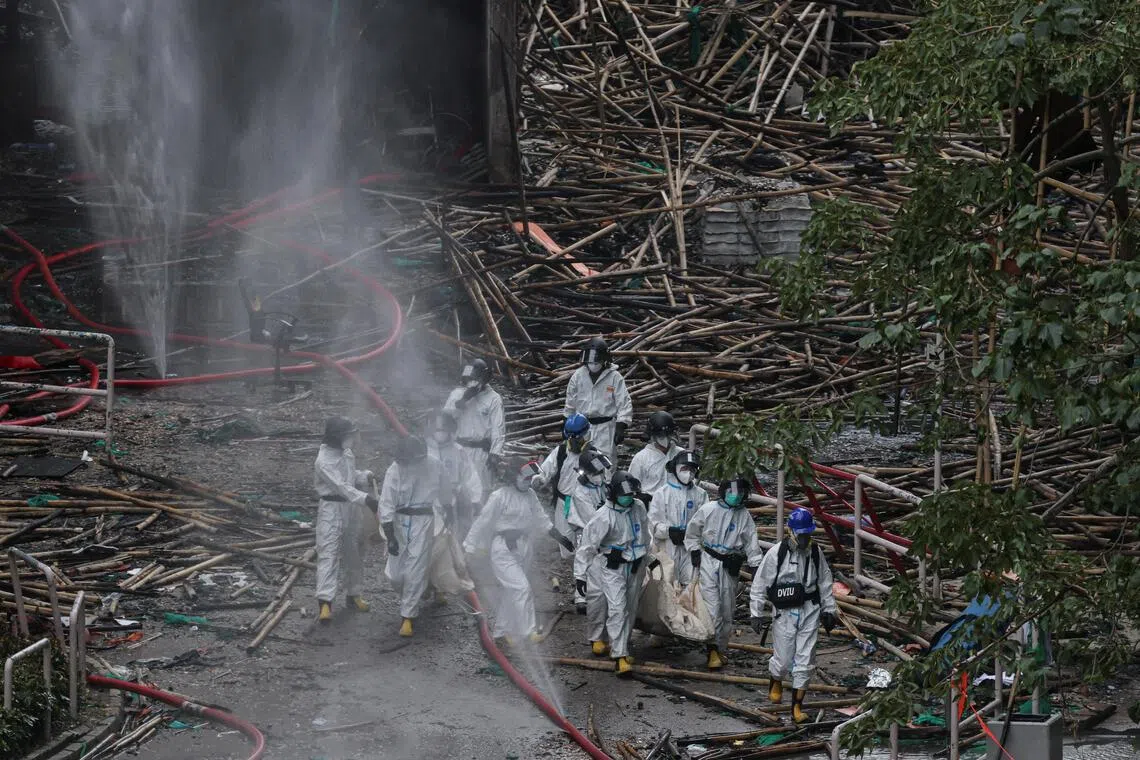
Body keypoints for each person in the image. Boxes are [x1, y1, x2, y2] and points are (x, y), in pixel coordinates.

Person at [464, 459, 573, 643]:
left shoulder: (530, 494)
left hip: (524, 546)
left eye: (531, 478)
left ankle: (501, 632)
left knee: (511, 590)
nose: (529, 481)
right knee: (521, 588)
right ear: (513, 477)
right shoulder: (500, 496)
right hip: (503, 548)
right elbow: (483, 521)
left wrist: (559, 537)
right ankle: (527, 632)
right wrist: (470, 546)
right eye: (525, 478)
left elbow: (541, 518)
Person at [750, 507, 839, 723]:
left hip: (810, 609)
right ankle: (776, 679)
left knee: (805, 659)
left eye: (808, 534)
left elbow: (825, 582)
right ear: (791, 532)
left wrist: (829, 610)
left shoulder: (815, 553)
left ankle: (797, 708)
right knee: (783, 658)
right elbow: (760, 584)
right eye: (801, 535)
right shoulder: (776, 554)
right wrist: (756, 612)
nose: (805, 539)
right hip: (785, 612)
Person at [685, 475, 765, 671]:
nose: (735, 497)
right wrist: (694, 550)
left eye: (739, 493)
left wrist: (756, 566)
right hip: (709, 562)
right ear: (723, 492)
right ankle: (712, 649)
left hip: (730, 565)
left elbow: (751, 542)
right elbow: (693, 532)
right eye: (731, 492)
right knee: (712, 608)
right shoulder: (708, 510)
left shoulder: (743, 515)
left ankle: (720, 649)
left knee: (727, 609)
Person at [574, 470, 651, 676]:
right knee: (616, 607)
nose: (629, 498)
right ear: (613, 493)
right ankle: (619, 656)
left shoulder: (638, 507)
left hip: (635, 565)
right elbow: (588, 546)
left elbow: (645, 534)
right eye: (625, 494)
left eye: (631, 494)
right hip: (612, 567)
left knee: (630, 608)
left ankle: (622, 645)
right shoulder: (603, 516)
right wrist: (580, 575)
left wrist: (648, 558)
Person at [378, 435, 448, 637]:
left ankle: (408, 616)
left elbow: (445, 491)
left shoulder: (435, 466)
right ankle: (416, 592)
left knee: (415, 568)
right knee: (395, 574)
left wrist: (449, 508)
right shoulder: (395, 470)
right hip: (398, 522)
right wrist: (390, 536)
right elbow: (386, 503)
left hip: (423, 521)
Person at [314, 417, 378, 623]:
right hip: (332, 509)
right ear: (335, 437)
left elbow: (350, 478)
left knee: (355, 552)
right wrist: (366, 499)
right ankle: (325, 602)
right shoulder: (323, 461)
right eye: (347, 435)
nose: (351, 438)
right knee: (329, 552)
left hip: (350, 508)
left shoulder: (346, 453)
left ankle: (354, 594)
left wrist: (364, 476)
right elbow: (340, 486)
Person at [560, 448, 613, 613]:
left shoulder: (601, 485)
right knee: (584, 560)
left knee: (599, 564)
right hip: (585, 529)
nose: (600, 475)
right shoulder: (580, 492)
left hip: (600, 528)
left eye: (601, 472)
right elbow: (593, 518)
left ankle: (596, 594)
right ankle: (580, 597)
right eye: (597, 472)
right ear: (587, 473)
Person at [563, 337, 632, 463]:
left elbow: (624, 403)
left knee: (604, 461)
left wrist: (621, 425)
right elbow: (570, 402)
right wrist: (566, 421)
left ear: (605, 359)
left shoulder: (614, 377)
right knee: (576, 459)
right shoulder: (578, 376)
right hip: (581, 426)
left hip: (605, 427)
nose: (593, 364)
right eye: (590, 361)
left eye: (596, 361)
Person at [444, 358, 505, 489]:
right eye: (469, 379)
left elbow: (498, 428)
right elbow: (446, 419)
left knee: (480, 491)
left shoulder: (493, 399)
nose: (472, 383)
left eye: (475, 379)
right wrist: (464, 399)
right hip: (459, 449)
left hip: (480, 452)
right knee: (456, 489)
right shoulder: (457, 394)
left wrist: (495, 453)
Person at [538, 413, 593, 550]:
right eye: (571, 438)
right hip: (563, 502)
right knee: (565, 544)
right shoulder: (561, 452)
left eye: (578, 438)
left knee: (586, 542)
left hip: (584, 504)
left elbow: (604, 483)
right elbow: (545, 471)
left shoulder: (594, 456)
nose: (575, 442)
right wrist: (539, 480)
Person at [649, 450, 703, 586]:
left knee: (691, 585)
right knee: (667, 583)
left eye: (692, 469)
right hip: (667, 546)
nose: (688, 473)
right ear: (675, 469)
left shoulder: (700, 494)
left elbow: (706, 523)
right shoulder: (662, 493)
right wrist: (669, 531)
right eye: (684, 468)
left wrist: (694, 539)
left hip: (690, 548)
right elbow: (652, 524)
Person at [426, 409, 483, 534]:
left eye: (443, 430)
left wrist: (475, 499)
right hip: (430, 499)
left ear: (450, 430)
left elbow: (470, 475)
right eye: (437, 430)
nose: (440, 433)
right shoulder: (424, 451)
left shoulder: (458, 451)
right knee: (432, 534)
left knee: (454, 533)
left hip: (453, 499)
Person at [629, 411, 682, 494]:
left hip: (677, 501)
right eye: (661, 436)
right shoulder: (641, 458)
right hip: (650, 502)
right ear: (653, 435)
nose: (665, 439)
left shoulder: (681, 454)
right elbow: (630, 485)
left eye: (668, 434)